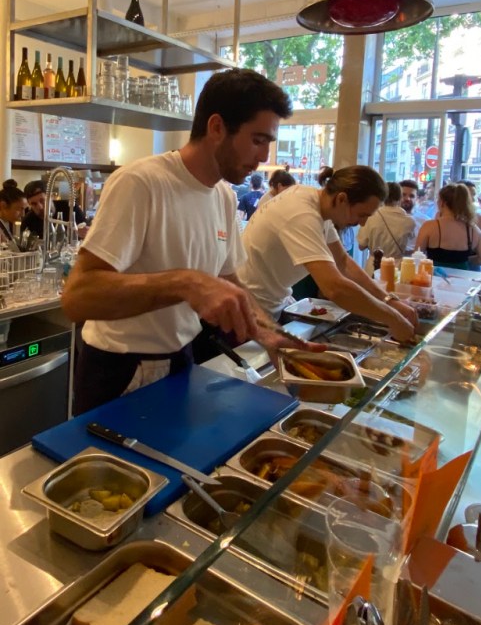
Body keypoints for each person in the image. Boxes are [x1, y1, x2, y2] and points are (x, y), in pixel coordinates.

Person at [61, 68, 320, 413]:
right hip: (120, 367)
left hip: (181, 358)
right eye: (258, 140)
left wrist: (272, 336)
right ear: (216, 127)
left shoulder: (223, 197)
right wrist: (186, 282)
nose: (263, 158)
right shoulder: (142, 182)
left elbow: (229, 281)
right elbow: (78, 298)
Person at [238, 166, 419, 342]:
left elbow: (343, 262)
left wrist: (389, 301)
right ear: (341, 199)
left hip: (270, 306)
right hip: (248, 311)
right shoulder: (301, 214)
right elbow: (334, 287)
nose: (362, 223)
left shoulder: (318, 205)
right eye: (361, 214)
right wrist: (392, 318)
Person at [415, 183, 481, 270]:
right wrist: (466, 260)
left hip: (435, 277)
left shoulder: (430, 226)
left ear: (442, 203)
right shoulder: (472, 229)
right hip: (463, 278)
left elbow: (417, 255)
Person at [357, 181, 416, 276]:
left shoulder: (371, 216)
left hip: (373, 266)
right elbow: (411, 247)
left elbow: (361, 246)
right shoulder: (409, 221)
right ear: (400, 198)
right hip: (396, 268)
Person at [21, 179, 89, 242]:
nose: (40, 207)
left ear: (51, 196)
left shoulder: (70, 208)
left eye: (42, 201)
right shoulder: (28, 221)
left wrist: (83, 232)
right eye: (34, 204)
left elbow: (88, 231)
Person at [0, 185, 27, 249]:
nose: (23, 214)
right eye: (19, 209)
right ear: (3, 206)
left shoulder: (8, 223)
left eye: (24, 209)